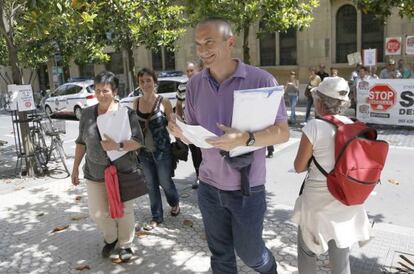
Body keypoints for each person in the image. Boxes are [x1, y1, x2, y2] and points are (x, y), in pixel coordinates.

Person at [169, 17, 289, 274]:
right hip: (209, 187)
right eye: (198, 44)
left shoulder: (261, 81)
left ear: (230, 42)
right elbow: (195, 135)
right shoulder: (194, 85)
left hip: (248, 190)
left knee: (251, 254)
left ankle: (270, 268)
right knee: (220, 256)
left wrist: (245, 139)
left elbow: (282, 133)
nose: (202, 51)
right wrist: (181, 133)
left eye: (209, 43)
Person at [292, 77, 370, 274]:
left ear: (319, 101)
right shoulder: (357, 126)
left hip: (316, 204)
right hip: (347, 201)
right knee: (341, 257)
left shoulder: (314, 127)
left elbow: (299, 167)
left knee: (308, 252)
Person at [71, 71, 143, 261]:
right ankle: (111, 238)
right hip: (94, 172)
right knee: (97, 212)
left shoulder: (126, 113)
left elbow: (138, 142)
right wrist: (75, 167)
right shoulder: (87, 114)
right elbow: (81, 142)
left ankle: (126, 244)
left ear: (115, 91)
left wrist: (117, 146)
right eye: (97, 90)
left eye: (106, 90)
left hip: (122, 171)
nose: (101, 94)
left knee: (125, 211)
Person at [134, 68, 180, 230]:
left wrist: (174, 122)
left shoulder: (164, 102)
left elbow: (172, 123)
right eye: (141, 81)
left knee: (165, 183)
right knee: (151, 185)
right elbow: (135, 128)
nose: (145, 84)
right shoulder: (136, 102)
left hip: (163, 152)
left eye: (148, 80)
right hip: (143, 152)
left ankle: (174, 202)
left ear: (155, 82)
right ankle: (157, 217)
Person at [176, 61, 203, 189]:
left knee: (205, 152)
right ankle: (198, 176)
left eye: (192, 70)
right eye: (187, 71)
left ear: (197, 71)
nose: (189, 73)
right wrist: (180, 122)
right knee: (195, 153)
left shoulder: (204, 84)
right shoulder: (182, 86)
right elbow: (178, 105)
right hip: (190, 127)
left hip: (203, 126)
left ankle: (208, 178)